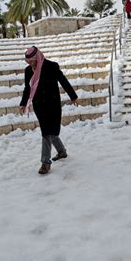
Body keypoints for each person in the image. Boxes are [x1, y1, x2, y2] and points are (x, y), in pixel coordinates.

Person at [20, 46, 78, 175]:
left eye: (32, 61)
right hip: (39, 105)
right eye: (27, 61)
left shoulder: (51, 66)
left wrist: (73, 96)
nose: (30, 64)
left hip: (53, 104)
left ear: (38, 57)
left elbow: (63, 81)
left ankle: (45, 162)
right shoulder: (28, 71)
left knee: (49, 132)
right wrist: (24, 103)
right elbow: (27, 88)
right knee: (47, 132)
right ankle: (60, 152)